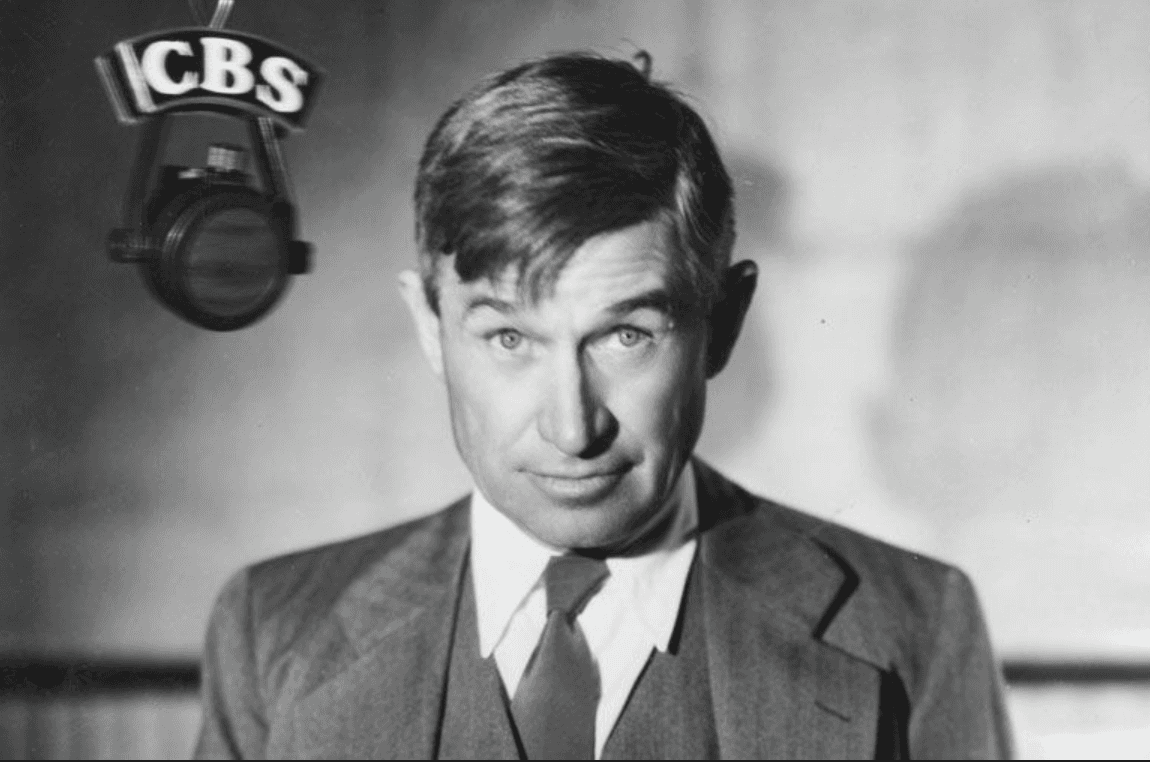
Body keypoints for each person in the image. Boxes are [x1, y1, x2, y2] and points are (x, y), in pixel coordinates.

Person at [195, 52, 1013, 760]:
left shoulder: (914, 626)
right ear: (430, 328)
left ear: (723, 323)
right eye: (510, 338)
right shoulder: (273, 632)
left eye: (625, 336)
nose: (572, 426)